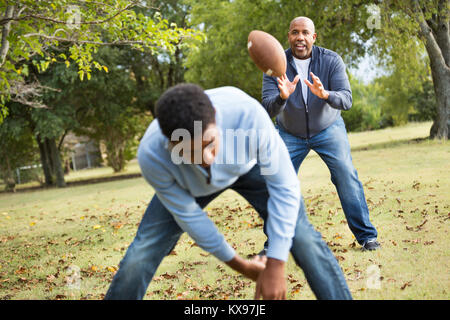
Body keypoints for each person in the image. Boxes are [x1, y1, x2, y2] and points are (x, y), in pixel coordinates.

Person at [104, 83, 352, 300]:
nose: (206, 159)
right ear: (170, 144)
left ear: (217, 119)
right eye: (189, 153)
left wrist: (276, 264)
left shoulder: (246, 114)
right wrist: (240, 265)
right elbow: (191, 217)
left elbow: (285, 189)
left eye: (209, 143)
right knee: (140, 254)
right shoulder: (152, 154)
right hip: (189, 185)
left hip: (249, 168)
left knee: (302, 236)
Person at [261, 16, 380, 252]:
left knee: (346, 175)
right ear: (289, 36)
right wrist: (282, 98)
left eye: (305, 32)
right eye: (295, 32)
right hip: (289, 133)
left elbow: (346, 100)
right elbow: (266, 107)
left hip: (328, 128)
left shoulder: (331, 60)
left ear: (313, 37)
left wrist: (326, 95)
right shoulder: (275, 64)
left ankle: (367, 237)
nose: (300, 37)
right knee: (276, 181)